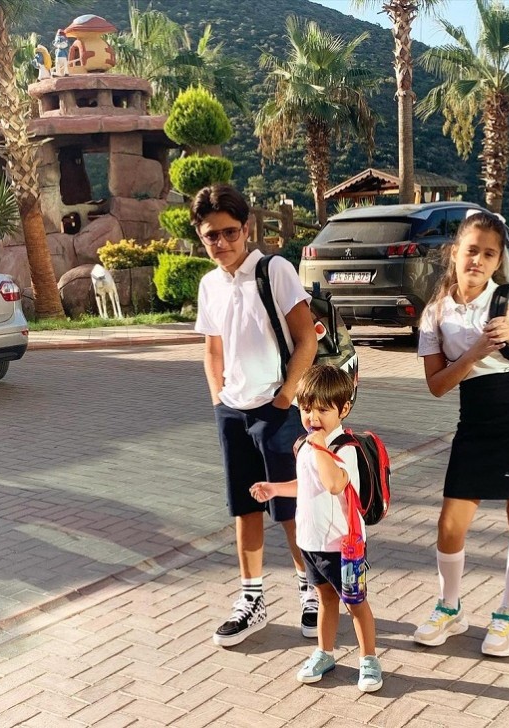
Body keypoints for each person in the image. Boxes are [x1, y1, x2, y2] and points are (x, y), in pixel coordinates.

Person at [413, 211, 509, 657]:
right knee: (450, 524)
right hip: (475, 419)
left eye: (488, 254)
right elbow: (437, 385)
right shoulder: (436, 313)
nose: (477, 261)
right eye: (471, 251)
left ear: (498, 260)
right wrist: (475, 352)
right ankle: (450, 608)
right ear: (454, 253)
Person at [192, 183, 319, 647]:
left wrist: (284, 398)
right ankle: (252, 600)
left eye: (230, 232)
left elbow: (307, 339)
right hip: (232, 410)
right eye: (211, 235)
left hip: (277, 409)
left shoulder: (274, 269)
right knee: (244, 506)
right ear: (201, 237)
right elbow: (212, 349)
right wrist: (218, 401)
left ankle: (311, 590)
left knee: (290, 507)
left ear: (246, 229)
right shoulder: (209, 284)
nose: (222, 242)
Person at [250, 365, 383, 693]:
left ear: (344, 409)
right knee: (324, 599)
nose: (313, 417)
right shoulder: (306, 446)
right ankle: (325, 653)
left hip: (343, 545)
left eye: (323, 410)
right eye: (307, 409)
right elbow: (308, 485)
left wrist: (321, 446)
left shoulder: (344, 448)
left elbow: (334, 483)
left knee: (355, 604)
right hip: (311, 542)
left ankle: (369, 659)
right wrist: (275, 489)